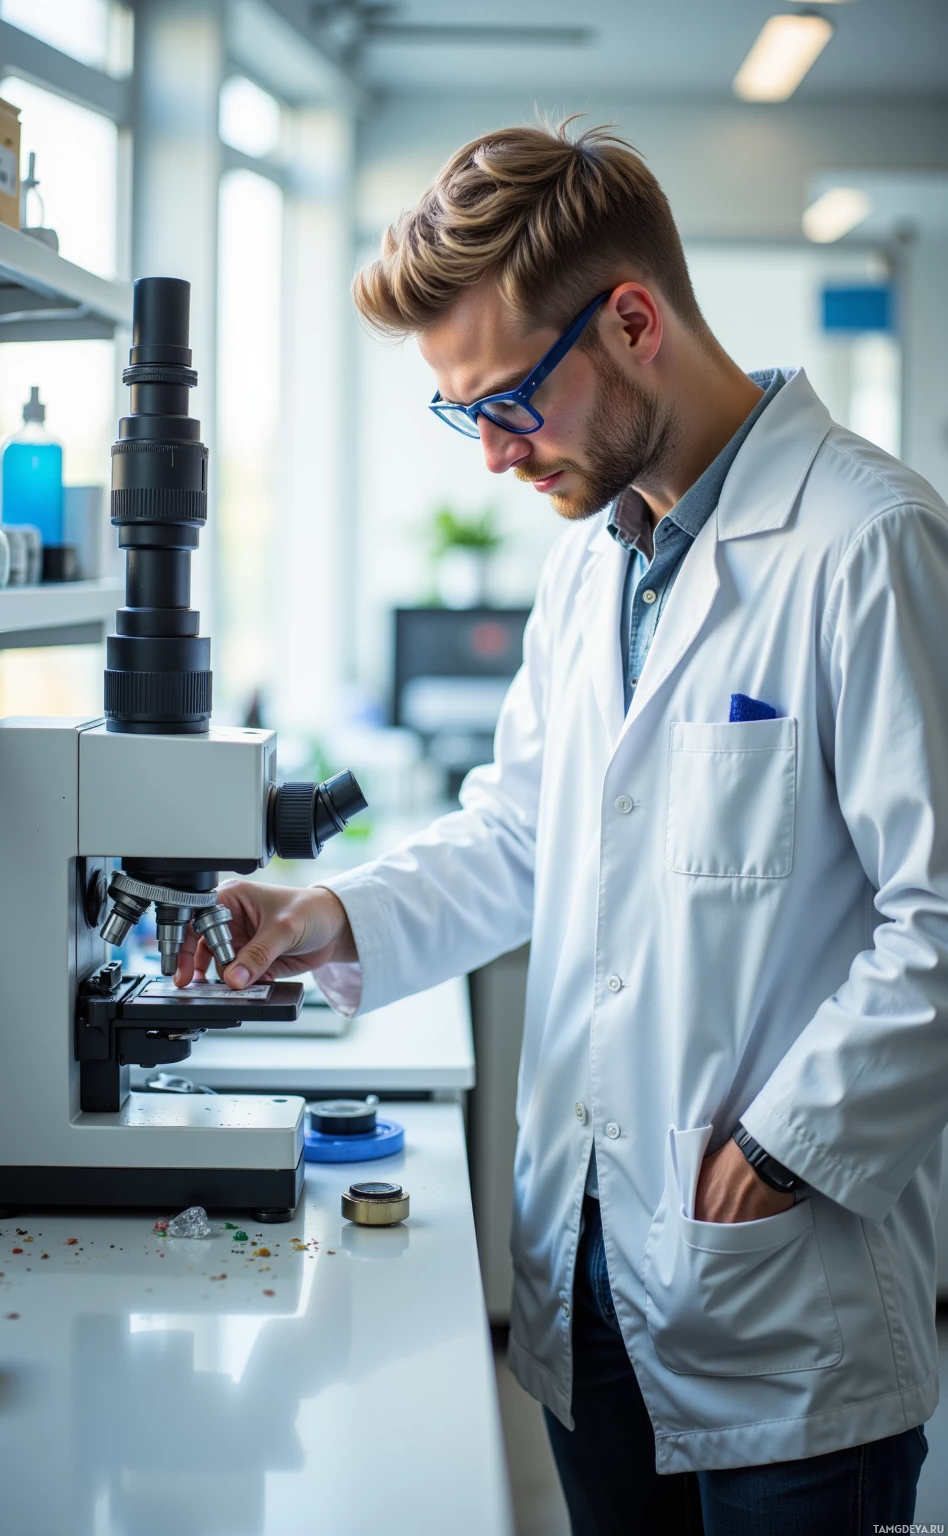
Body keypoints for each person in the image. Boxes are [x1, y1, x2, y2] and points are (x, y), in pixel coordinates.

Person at [178, 121, 947, 1534]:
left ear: (633, 321)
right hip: (590, 1281)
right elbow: (524, 837)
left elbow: (940, 921)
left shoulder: (867, 542)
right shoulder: (592, 571)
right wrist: (325, 918)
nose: (489, 455)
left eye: (510, 403)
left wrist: (783, 1147)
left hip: (781, 1304)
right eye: (461, 413)